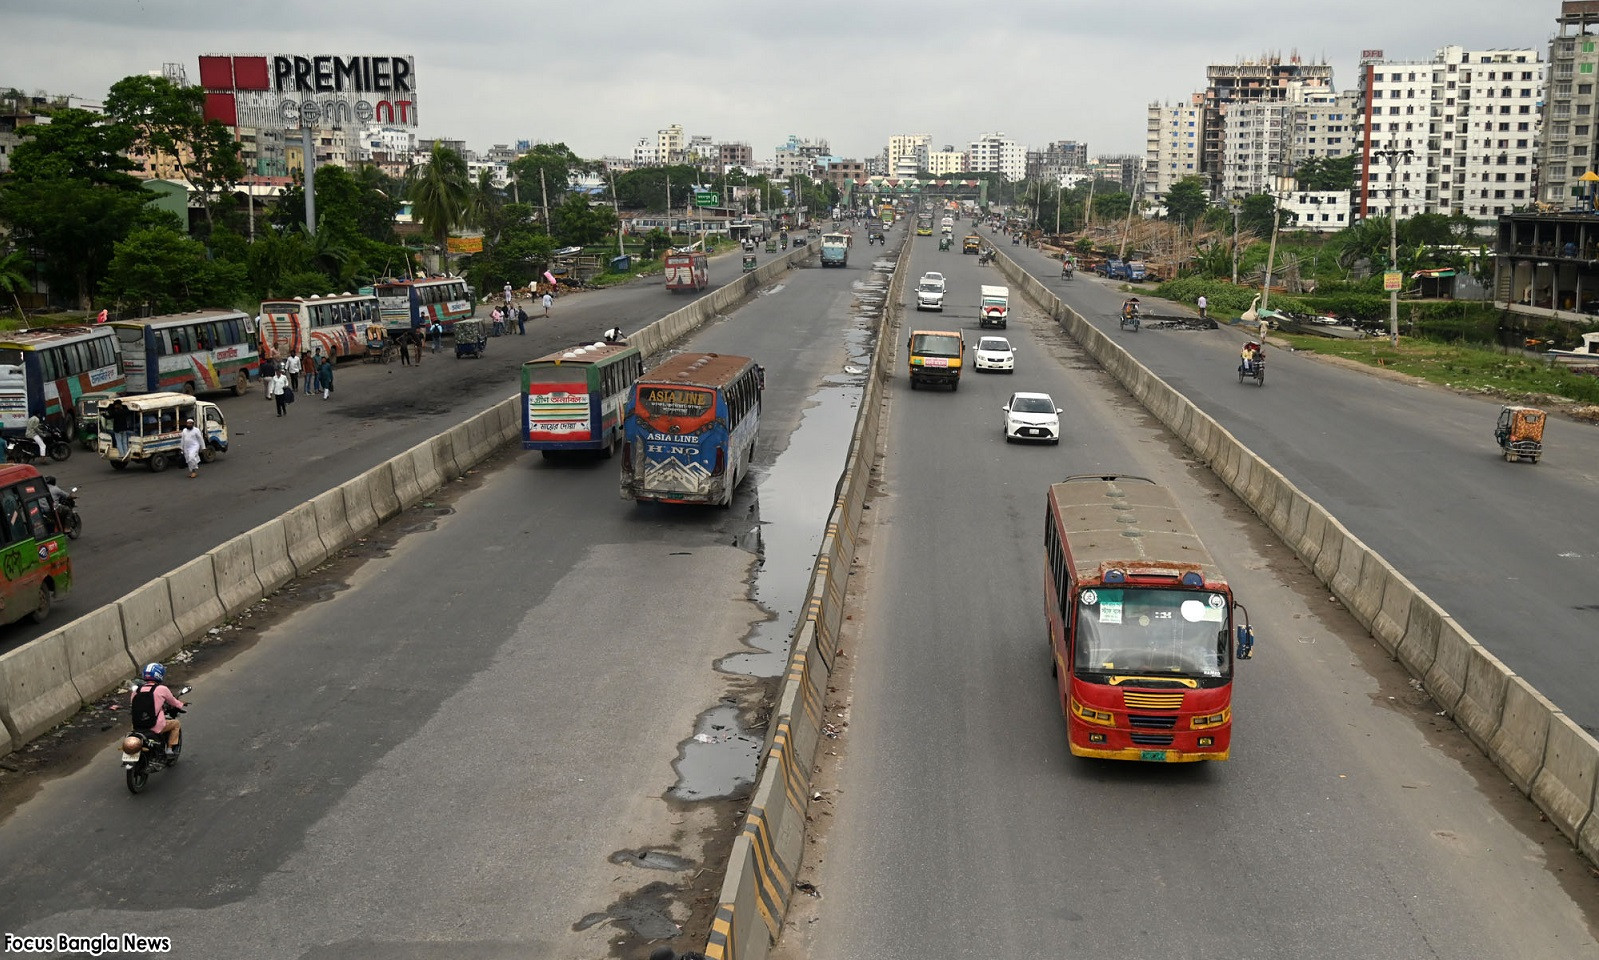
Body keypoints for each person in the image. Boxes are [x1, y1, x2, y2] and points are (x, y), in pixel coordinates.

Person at [130, 662, 185, 756]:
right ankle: (169, 749)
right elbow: (173, 702)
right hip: (155, 726)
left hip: (137, 726)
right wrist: (181, 704)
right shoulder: (162, 689)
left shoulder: (137, 690)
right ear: (159, 675)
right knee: (176, 724)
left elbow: (133, 704)